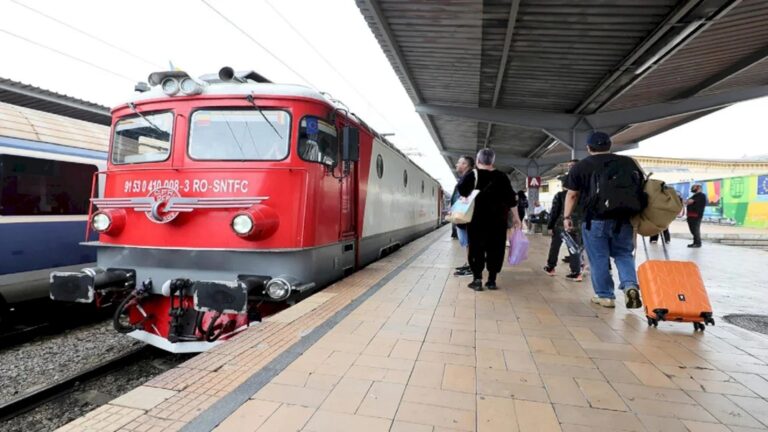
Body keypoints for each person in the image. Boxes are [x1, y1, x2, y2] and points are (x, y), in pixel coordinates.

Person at [563, 131, 643, 309]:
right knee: (623, 254)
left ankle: (605, 296)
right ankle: (630, 285)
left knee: (599, 258)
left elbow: (572, 195)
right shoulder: (627, 162)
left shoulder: (581, 166)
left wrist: (567, 217)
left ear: (589, 148)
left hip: (595, 220)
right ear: (609, 146)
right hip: (624, 219)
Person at [457, 148, 521, 291]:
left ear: (478, 160)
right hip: (498, 222)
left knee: (476, 249)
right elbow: (512, 200)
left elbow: (461, 190)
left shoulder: (472, 175)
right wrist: (517, 219)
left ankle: (477, 280)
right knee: (496, 249)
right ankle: (491, 281)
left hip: (476, 221)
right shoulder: (502, 177)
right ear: (492, 161)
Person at [544, 178, 583, 281]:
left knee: (555, 246)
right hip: (578, 225)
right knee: (574, 248)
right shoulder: (582, 194)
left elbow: (554, 212)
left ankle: (550, 267)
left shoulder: (561, 195)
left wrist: (550, 226)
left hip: (561, 225)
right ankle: (576, 272)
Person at [452, 156, 476, 276]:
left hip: (467, 215)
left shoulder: (469, 176)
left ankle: (472, 267)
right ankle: (469, 264)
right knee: (467, 243)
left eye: (459, 162)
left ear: (465, 165)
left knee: (469, 243)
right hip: (466, 214)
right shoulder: (467, 176)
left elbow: (464, 193)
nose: (456, 165)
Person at [686, 184, 706, 248]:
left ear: (699, 188)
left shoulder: (701, 195)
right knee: (692, 230)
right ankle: (695, 242)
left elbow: (689, 202)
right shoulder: (695, 195)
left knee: (695, 230)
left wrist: (688, 201)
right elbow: (687, 202)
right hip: (691, 215)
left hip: (696, 215)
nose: (692, 188)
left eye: (694, 187)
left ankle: (698, 243)